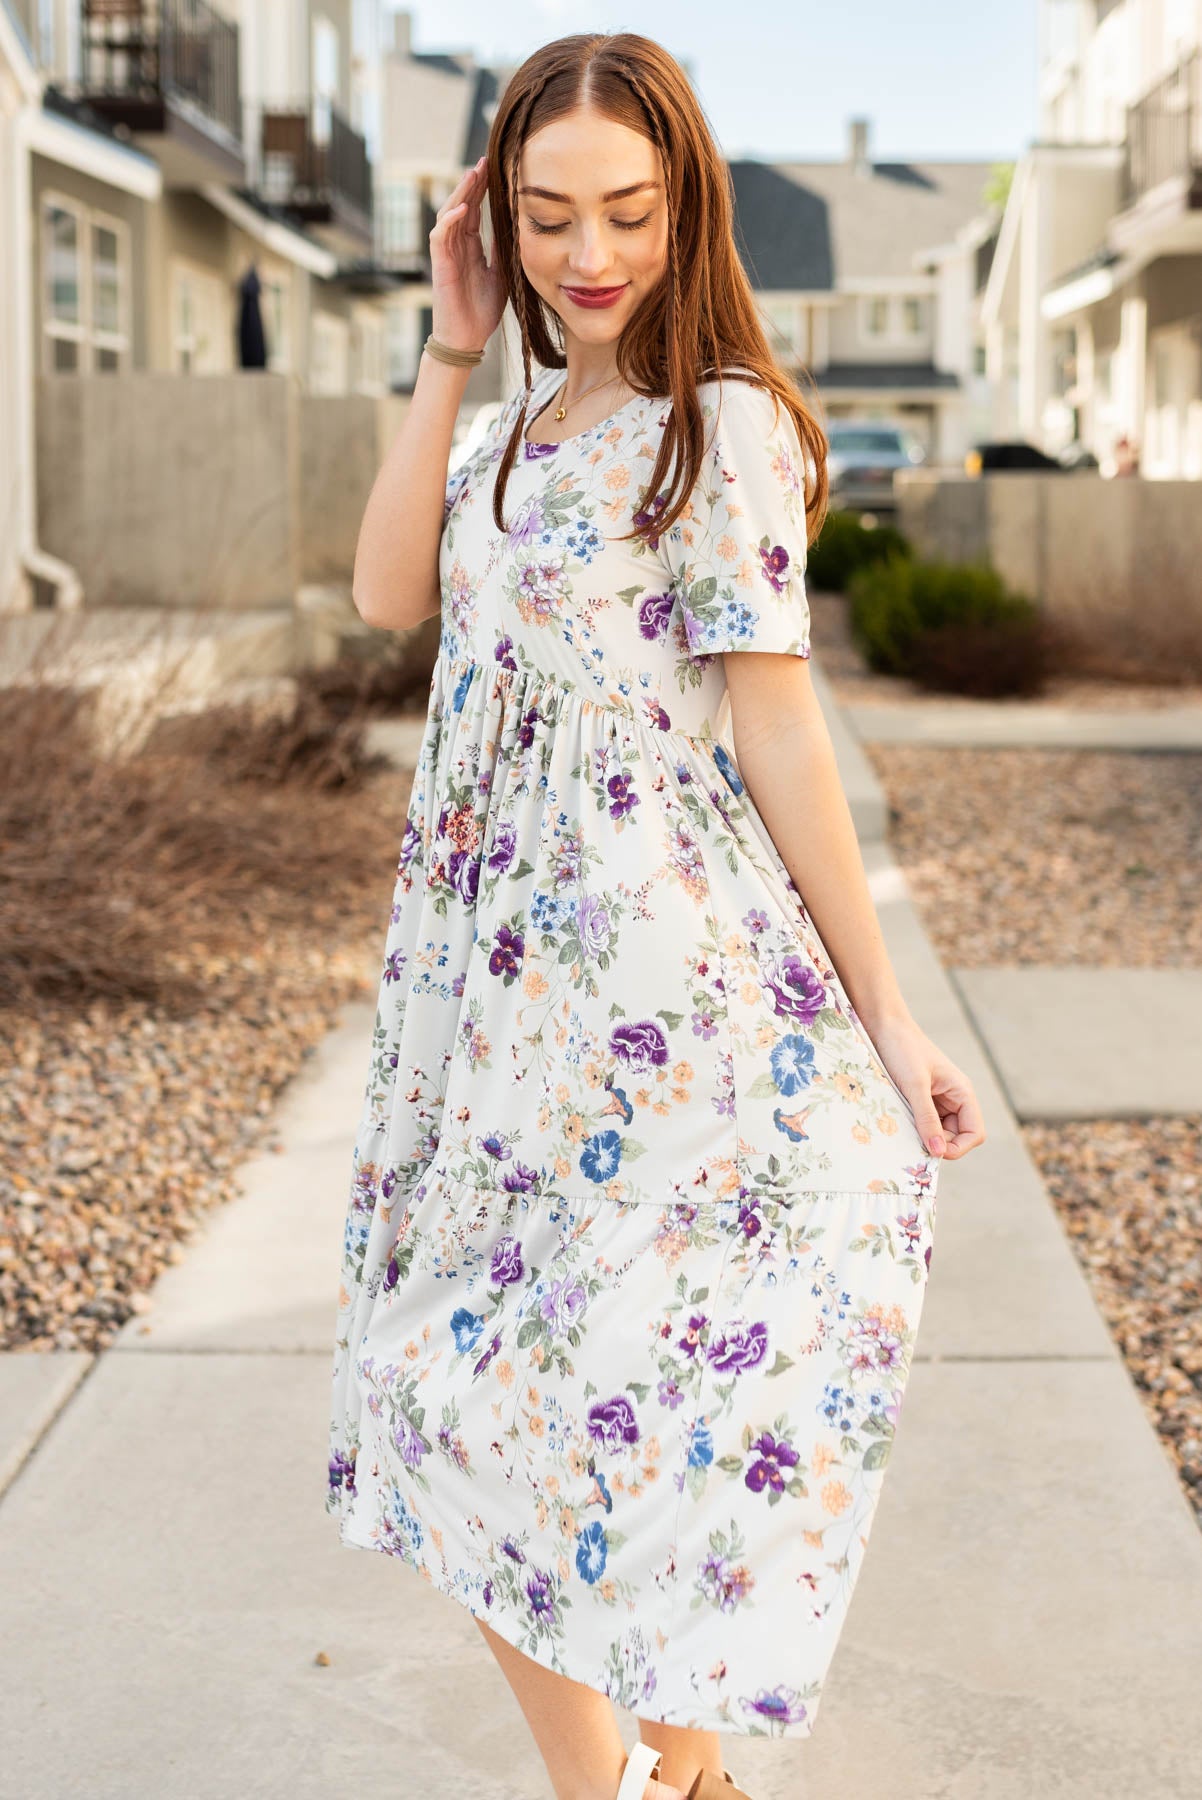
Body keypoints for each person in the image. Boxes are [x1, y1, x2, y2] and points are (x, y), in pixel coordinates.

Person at [326, 31, 986, 1800]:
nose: (587, 253)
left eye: (624, 210)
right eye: (545, 216)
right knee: (445, 1394)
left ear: (686, 204)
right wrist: (452, 340)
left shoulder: (725, 428)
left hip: (665, 971)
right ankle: (666, 1783)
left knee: (659, 1397)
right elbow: (392, 592)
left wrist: (888, 1013)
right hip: (494, 983)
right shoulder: (514, 423)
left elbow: (775, 720)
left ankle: (644, 1780)